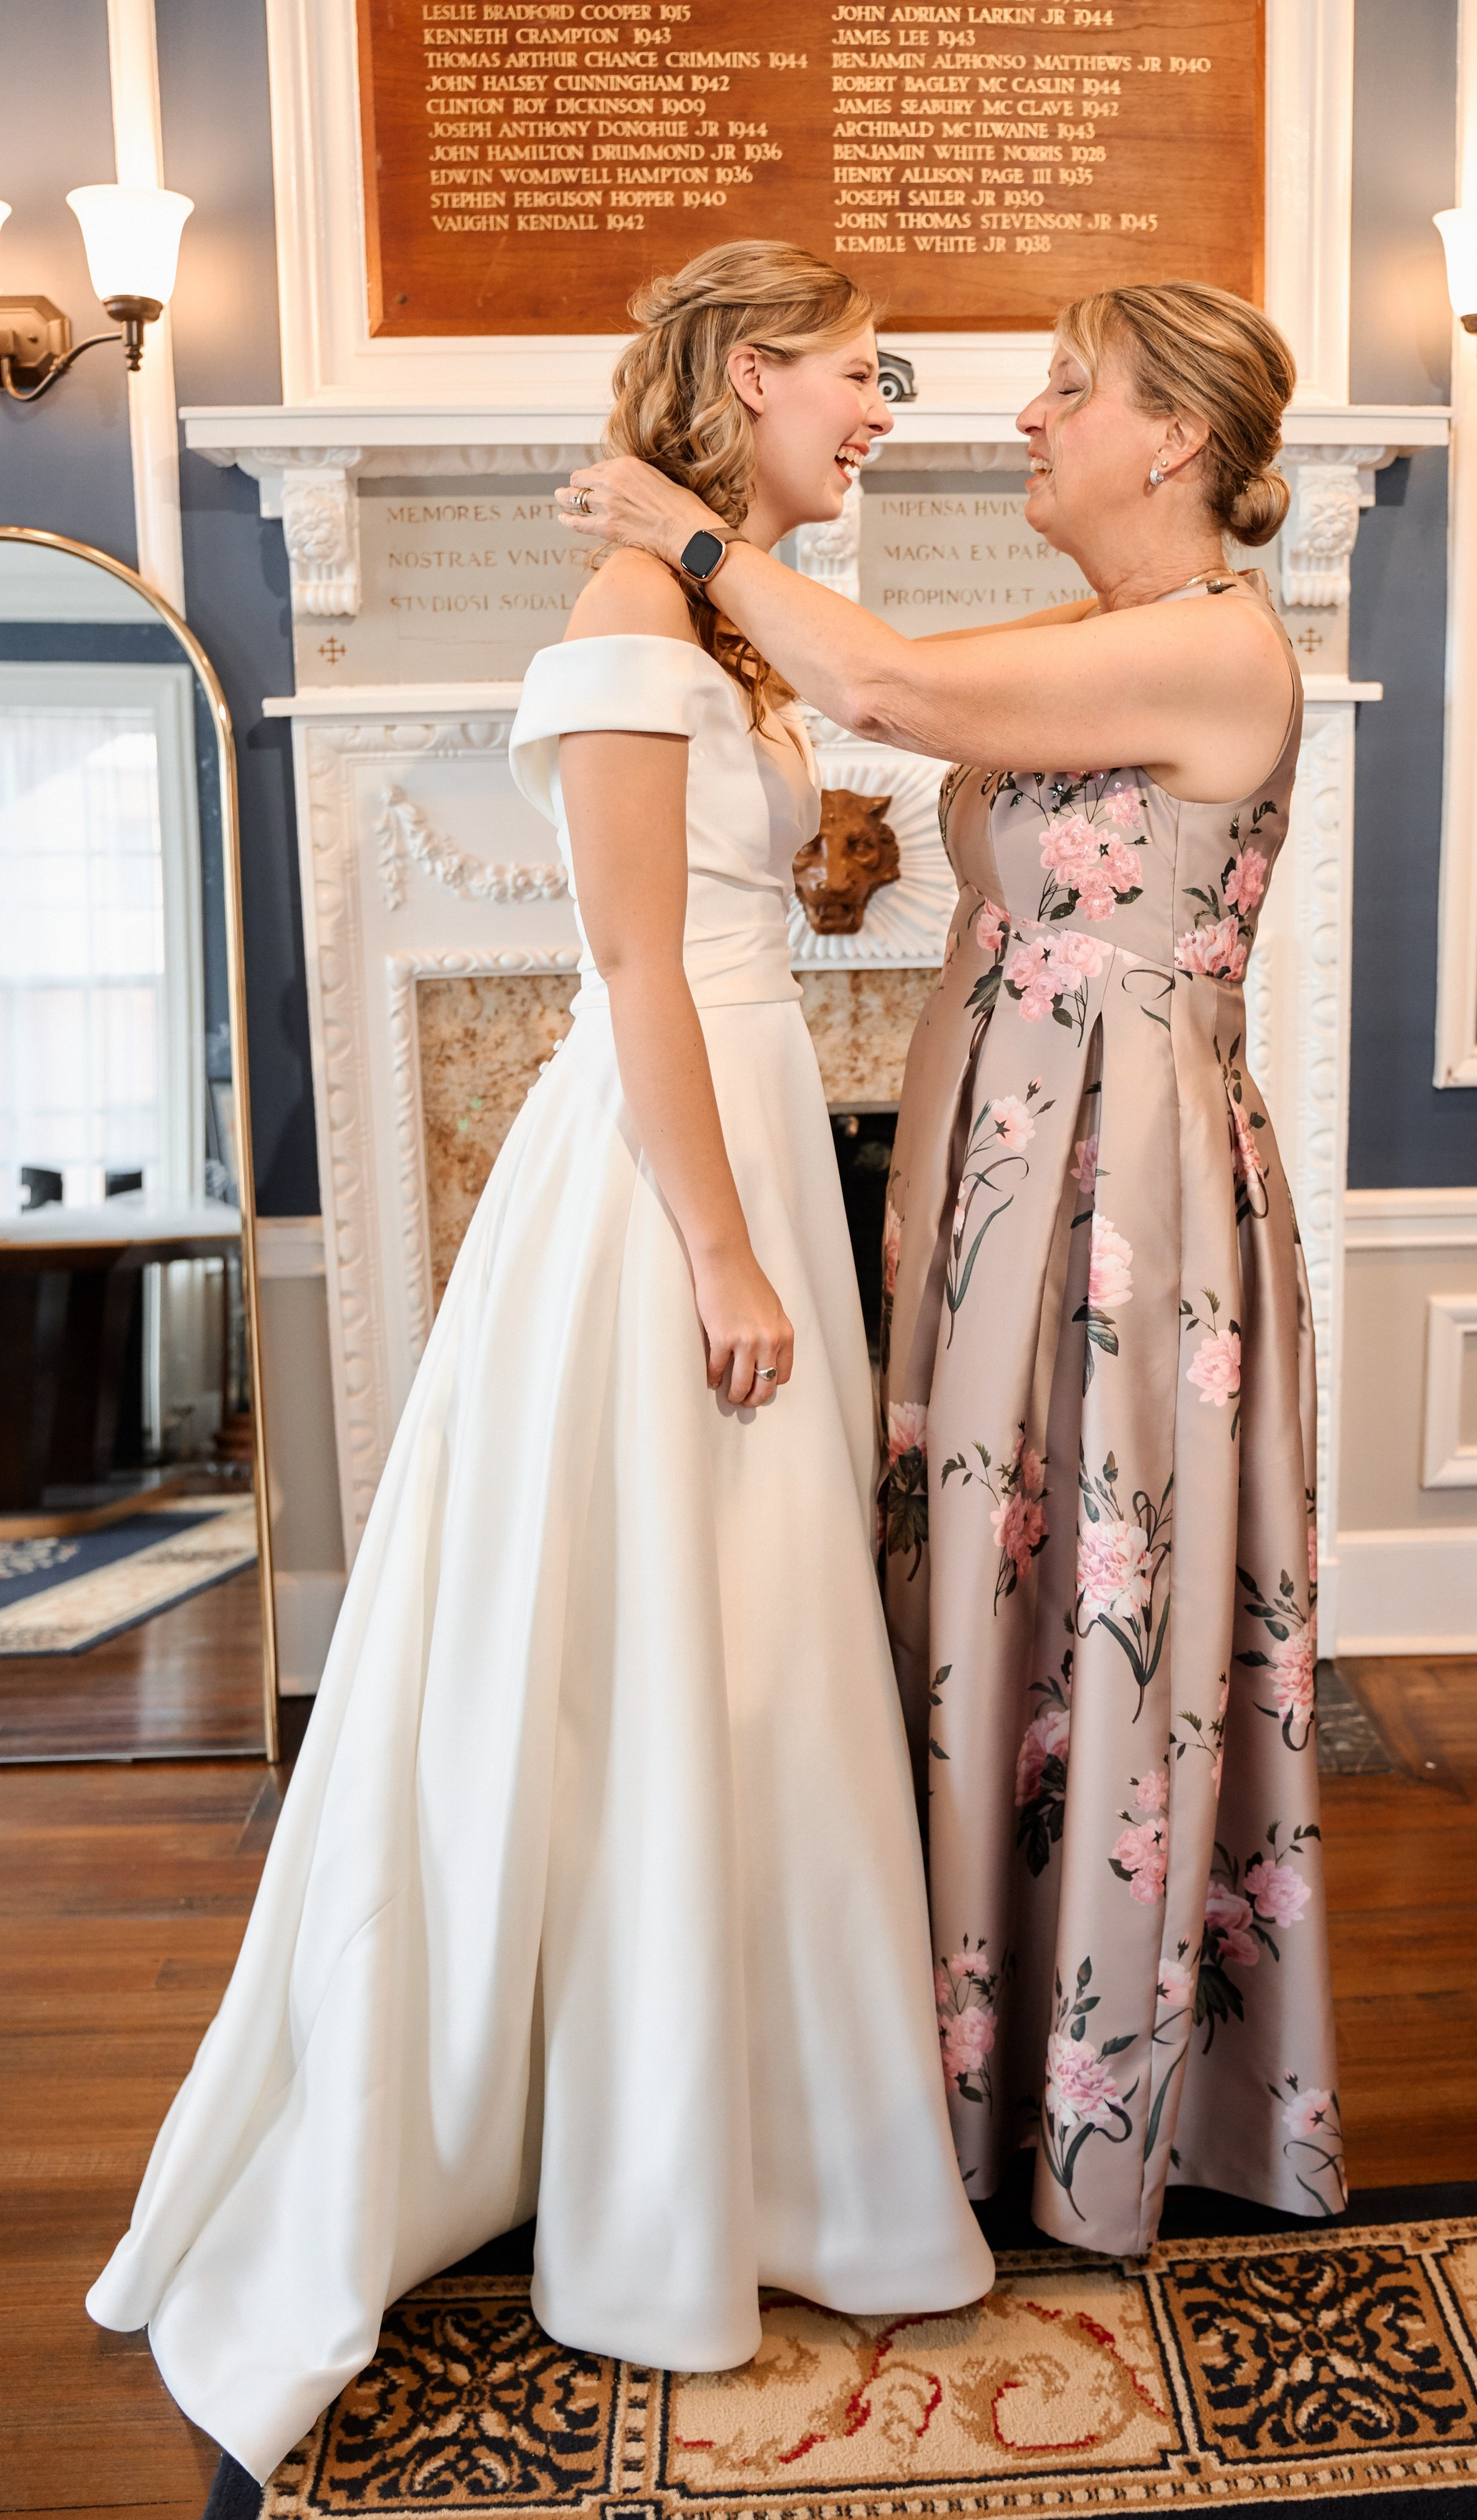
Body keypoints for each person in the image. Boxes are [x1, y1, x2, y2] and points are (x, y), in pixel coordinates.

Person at [86, 242, 995, 2486]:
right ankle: (660, 2151)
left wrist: (828, 846)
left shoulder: (720, 627)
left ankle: (756, 2125)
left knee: (750, 1655)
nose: (882, 410)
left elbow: (729, 898)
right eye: (860, 377)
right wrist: (721, 1250)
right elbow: (627, 962)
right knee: (662, 1644)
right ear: (752, 375)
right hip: (669, 1186)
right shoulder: (619, 627)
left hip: (751, 1143)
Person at [561, 277, 1346, 2260]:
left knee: (1105, 1608)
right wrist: (909, 1170)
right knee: (984, 1603)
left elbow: (888, 692)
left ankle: (1092, 2127)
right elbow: (969, 880)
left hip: (1128, 1196)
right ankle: (961, 2090)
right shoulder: (1090, 636)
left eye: (1066, 393)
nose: (1026, 421)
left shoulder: (1219, 647)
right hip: (1006, 1180)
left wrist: (692, 530)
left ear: (1172, 439)